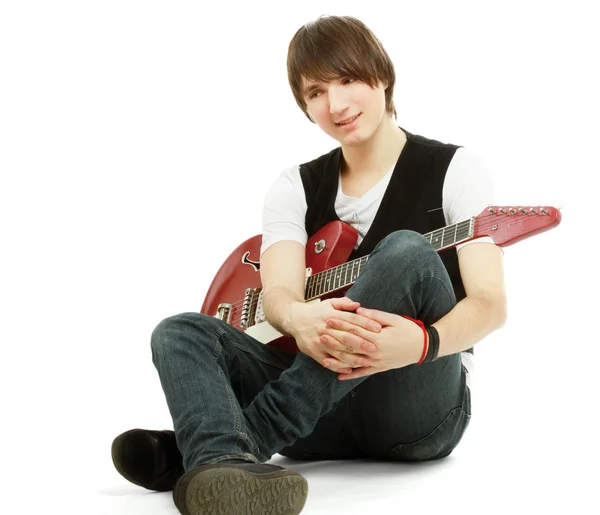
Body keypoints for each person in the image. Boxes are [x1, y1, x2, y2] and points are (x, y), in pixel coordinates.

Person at [111, 14, 506, 515]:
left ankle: (228, 445)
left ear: (382, 76)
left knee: (406, 251)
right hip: (317, 423)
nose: (336, 104)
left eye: (348, 80)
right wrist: (298, 317)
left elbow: (491, 304)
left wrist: (424, 342)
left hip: (415, 406)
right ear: (304, 105)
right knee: (179, 332)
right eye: (316, 91)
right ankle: (223, 463)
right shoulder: (294, 186)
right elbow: (277, 293)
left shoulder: (455, 168)